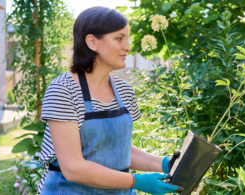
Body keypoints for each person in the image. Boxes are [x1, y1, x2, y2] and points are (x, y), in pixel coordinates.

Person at [37, 6, 182, 195]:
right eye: (119, 38)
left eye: (127, 38)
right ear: (92, 42)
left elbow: (119, 151)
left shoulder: (124, 91)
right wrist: (136, 181)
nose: (128, 47)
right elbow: (73, 168)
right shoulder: (63, 90)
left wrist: (165, 164)